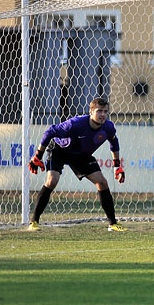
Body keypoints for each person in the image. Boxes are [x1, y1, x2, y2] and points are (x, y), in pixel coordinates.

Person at [26, 97, 127, 232]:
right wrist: (38, 156)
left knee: (102, 182)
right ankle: (34, 222)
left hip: (81, 156)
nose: (103, 115)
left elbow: (114, 143)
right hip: (59, 150)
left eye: (105, 111)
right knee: (52, 181)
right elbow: (50, 131)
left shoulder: (108, 127)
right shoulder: (75, 124)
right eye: (99, 111)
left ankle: (113, 224)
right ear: (91, 111)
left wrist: (117, 167)